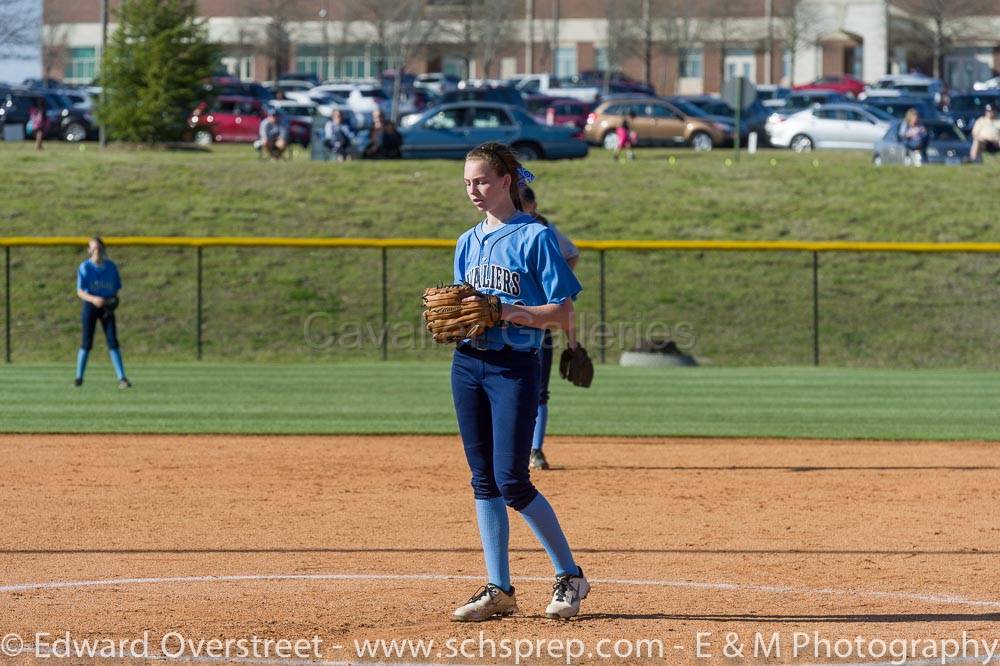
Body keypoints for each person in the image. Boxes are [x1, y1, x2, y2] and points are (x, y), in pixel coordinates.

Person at [448, 142, 589, 622]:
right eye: (468, 182)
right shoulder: (468, 241)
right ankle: (499, 589)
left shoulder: (535, 237)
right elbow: (465, 305)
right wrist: (459, 317)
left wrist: (511, 312)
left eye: (482, 181)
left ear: (507, 181)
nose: (474, 190)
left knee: (512, 479)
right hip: (468, 365)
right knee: (483, 480)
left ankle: (570, 575)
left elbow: (561, 309)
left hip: (515, 366)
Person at [520, 186, 580, 471]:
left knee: (539, 391)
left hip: (539, 322)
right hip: (509, 325)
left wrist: (573, 341)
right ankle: (514, 449)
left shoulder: (544, 231)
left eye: (525, 204)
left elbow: (572, 254)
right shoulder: (501, 229)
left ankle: (535, 450)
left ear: (533, 205)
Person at [75, 237, 131, 389]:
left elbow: (116, 289)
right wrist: (93, 299)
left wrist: (112, 300)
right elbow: (80, 291)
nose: (96, 251)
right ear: (89, 250)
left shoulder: (111, 267)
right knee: (86, 343)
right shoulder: (85, 267)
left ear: (103, 249)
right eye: (93, 248)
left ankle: (122, 378)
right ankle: (79, 378)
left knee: (113, 341)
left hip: (106, 307)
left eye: (99, 248)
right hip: (90, 306)